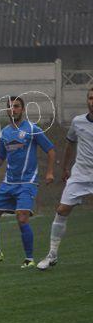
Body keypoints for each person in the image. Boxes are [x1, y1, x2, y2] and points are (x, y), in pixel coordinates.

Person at [0, 96, 55, 269]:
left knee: (22, 218)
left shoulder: (32, 129)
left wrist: (50, 172)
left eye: (16, 106)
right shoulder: (5, 132)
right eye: (10, 106)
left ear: (23, 109)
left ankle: (29, 259)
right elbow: (1, 156)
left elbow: (50, 150)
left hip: (27, 182)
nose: (12, 109)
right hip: (8, 183)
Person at [37, 87, 93, 270]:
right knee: (61, 211)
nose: (92, 102)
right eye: (90, 98)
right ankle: (52, 255)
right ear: (87, 100)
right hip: (81, 174)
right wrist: (66, 168)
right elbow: (70, 145)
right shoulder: (78, 122)